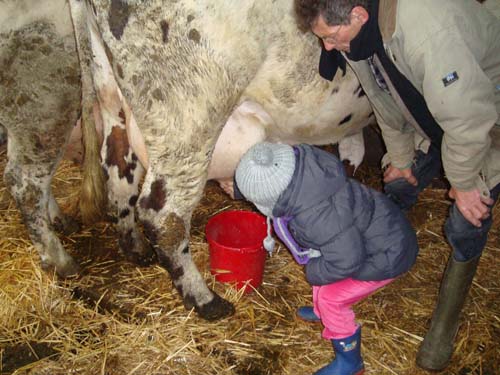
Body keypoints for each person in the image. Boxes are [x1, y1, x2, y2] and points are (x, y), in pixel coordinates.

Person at [293, 0, 500, 371]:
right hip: (437, 118)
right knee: (400, 182)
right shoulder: (358, 38)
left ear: (358, 15)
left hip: (489, 122)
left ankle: (445, 323)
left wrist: (465, 182)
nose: (326, 47)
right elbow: (384, 99)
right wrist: (402, 159)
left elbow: (469, 118)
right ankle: (384, 254)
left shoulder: (428, 32)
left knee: (464, 221)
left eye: (329, 36)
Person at [235, 142, 419, 375]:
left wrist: (313, 272)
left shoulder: (315, 219)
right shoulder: (310, 175)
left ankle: (350, 361)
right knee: (323, 265)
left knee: (331, 295)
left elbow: (346, 260)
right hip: (376, 233)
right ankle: (322, 310)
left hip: (387, 255)